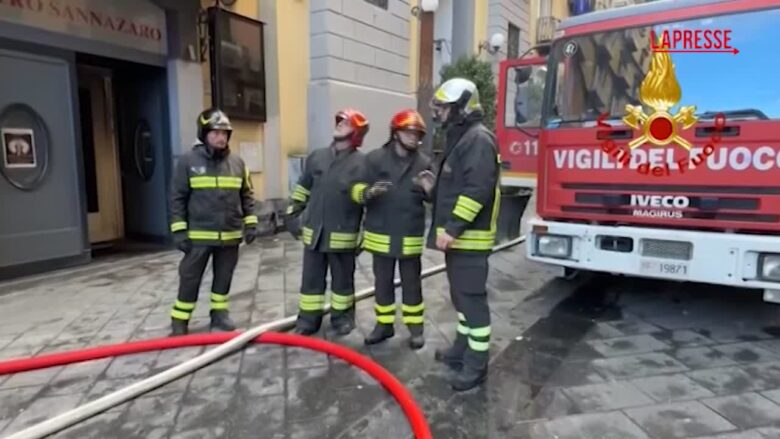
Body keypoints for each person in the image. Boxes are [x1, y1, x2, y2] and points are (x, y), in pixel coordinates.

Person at [426, 78, 501, 391]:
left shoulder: (478, 140)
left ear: (461, 107)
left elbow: (476, 190)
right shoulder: (463, 138)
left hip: (469, 239)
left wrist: (454, 227)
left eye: (443, 107)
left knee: (471, 301)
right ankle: (462, 348)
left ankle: (476, 365)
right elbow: (457, 185)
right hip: (460, 242)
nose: (439, 113)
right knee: (460, 298)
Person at [168, 108, 258, 336]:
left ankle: (219, 315)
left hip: (229, 235)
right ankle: (180, 319)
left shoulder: (237, 163)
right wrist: (179, 230)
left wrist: (250, 223)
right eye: (216, 133)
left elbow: (247, 195)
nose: (221, 137)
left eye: (225, 133)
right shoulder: (188, 162)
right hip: (198, 236)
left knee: (224, 277)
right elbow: (177, 198)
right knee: (190, 278)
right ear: (204, 134)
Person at [285, 109, 369, 336]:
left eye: (347, 123)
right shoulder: (317, 156)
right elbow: (303, 187)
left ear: (357, 132)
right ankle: (308, 321)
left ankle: (342, 318)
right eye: (340, 121)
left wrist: (366, 232)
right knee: (310, 282)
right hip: (314, 233)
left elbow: (369, 201)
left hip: (343, 235)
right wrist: (293, 213)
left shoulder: (363, 164)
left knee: (342, 283)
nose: (340, 124)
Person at [356, 109, 432, 350]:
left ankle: (415, 329)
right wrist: (369, 193)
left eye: (417, 134)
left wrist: (430, 190)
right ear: (396, 132)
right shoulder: (375, 159)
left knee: (412, 283)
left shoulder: (424, 162)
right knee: (382, 282)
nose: (414, 137)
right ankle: (384, 325)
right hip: (380, 232)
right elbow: (356, 188)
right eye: (409, 132)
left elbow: (434, 198)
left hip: (409, 232)